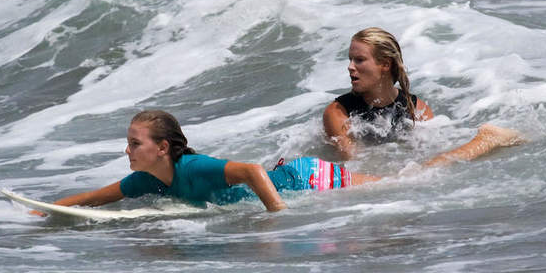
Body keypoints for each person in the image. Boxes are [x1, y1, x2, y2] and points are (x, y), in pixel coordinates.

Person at [50, 110, 379, 213]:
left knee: (395, 185)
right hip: (290, 178)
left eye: (135, 144)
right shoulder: (145, 179)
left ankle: (432, 164)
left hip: (307, 178)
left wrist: (277, 217)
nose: (127, 151)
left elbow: (251, 171)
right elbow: (92, 199)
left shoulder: (194, 168)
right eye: (128, 144)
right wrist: (36, 211)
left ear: (163, 147)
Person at [322, 27, 523, 164]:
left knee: (430, 167)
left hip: (400, 169)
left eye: (359, 60)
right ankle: (486, 141)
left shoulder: (416, 108)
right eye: (350, 60)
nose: (350, 67)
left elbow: (432, 148)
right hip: (385, 171)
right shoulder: (338, 112)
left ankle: (488, 139)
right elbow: (355, 163)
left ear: (385, 64)